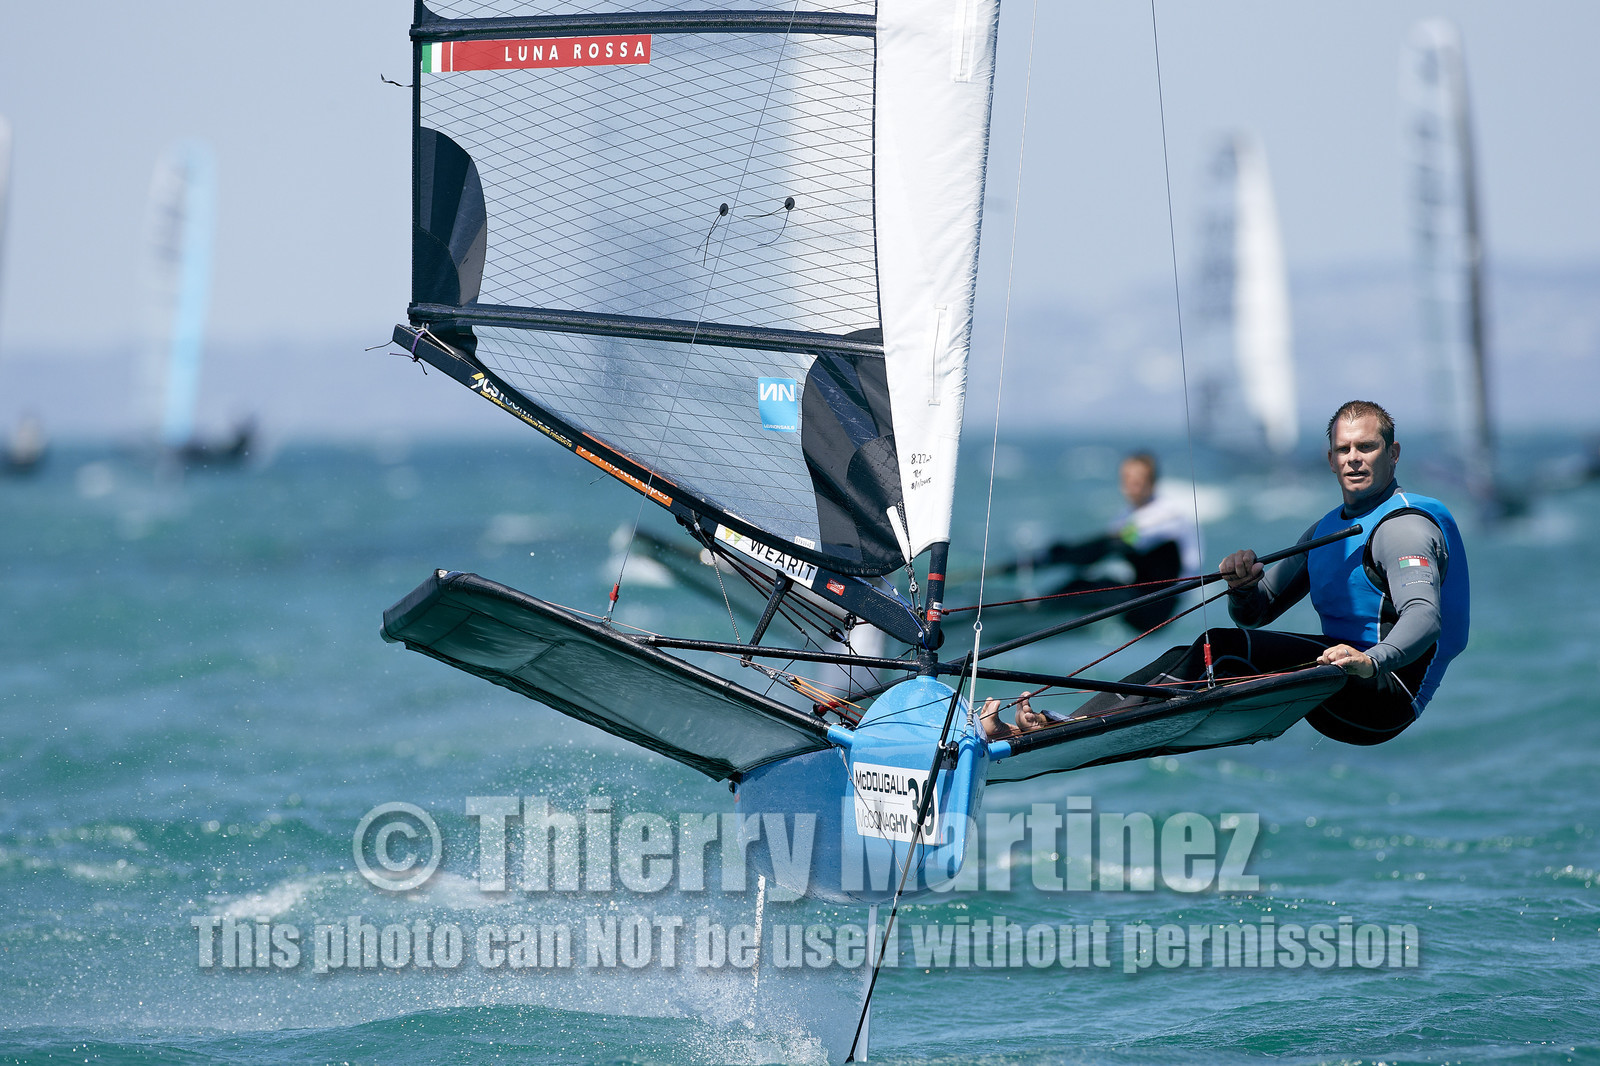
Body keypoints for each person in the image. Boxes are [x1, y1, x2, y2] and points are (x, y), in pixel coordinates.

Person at [986, 401, 1469, 746]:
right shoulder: (1325, 530)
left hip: (1386, 694)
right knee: (1198, 653)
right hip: (1338, 680)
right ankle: (1060, 724)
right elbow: (1256, 613)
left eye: (1367, 447)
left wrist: (1371, 662)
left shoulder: (1404, 528)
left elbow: (1425, 619)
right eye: (1344, 450)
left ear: (1394, 452)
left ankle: (1059, 728)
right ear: (1330, 458)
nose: (1354, 458)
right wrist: (1242, 588)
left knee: (1222, 650)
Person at [1005, 452, 1201, 631]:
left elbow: (1117, 542)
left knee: (1108, 566)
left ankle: (1041, 603)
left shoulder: (1167, 513)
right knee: (1087, 580)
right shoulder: (1125, 517)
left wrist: (1062, 555)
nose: (1131, 487)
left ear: (1152, 483)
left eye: (1138, 481)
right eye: (1127, 480)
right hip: (1140, 593)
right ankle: (1040, 605)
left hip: (1164, 604)